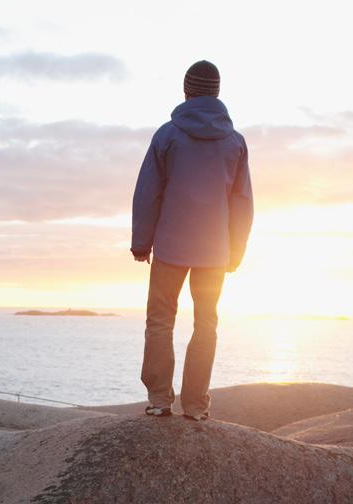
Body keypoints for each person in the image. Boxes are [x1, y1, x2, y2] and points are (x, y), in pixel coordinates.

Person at [131, 60, 254, 420]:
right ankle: (196, 405)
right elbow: (242, 202)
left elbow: (147, 192)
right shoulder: (235, 142)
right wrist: (236, 251)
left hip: (170, 247)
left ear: (186, 91)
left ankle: (158, 399)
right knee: (206, 324)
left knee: (160, 321)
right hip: (215, 252)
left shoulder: (167, 135)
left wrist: (142, 243)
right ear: (217, 93)